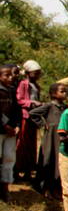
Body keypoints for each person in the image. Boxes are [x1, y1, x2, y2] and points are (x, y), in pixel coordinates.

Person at [29, 83, 67, 199]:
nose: (65, 93)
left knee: (58, 163)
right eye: (62, 91)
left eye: (65, 91)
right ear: (53, 94)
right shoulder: (49, 106)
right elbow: (33, 113)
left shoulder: (65, 108)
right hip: (50, 138)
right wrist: (43, 124)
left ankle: (56, 189)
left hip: (61, 139)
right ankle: (45, 188)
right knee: (48, 160)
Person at [15, 59, 42, 180]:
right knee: (22, 143)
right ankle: (17, 169)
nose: (37, 75)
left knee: (31, 144)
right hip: (25, 116)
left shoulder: (36, 86)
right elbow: (20, 99)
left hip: (33, 117)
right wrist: (31, 103)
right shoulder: (23, 84)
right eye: (35, 73)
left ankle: (28, 169)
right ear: (28, 73)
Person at [0, 64, 22, 202]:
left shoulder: (12, 91)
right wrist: (4, 125)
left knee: (9, 158)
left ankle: (5, 188)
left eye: (10, 75)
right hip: (1, 130)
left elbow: (16, 110)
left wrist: (17, 125)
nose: (10, 77)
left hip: (10, 132)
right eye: (6, 75)